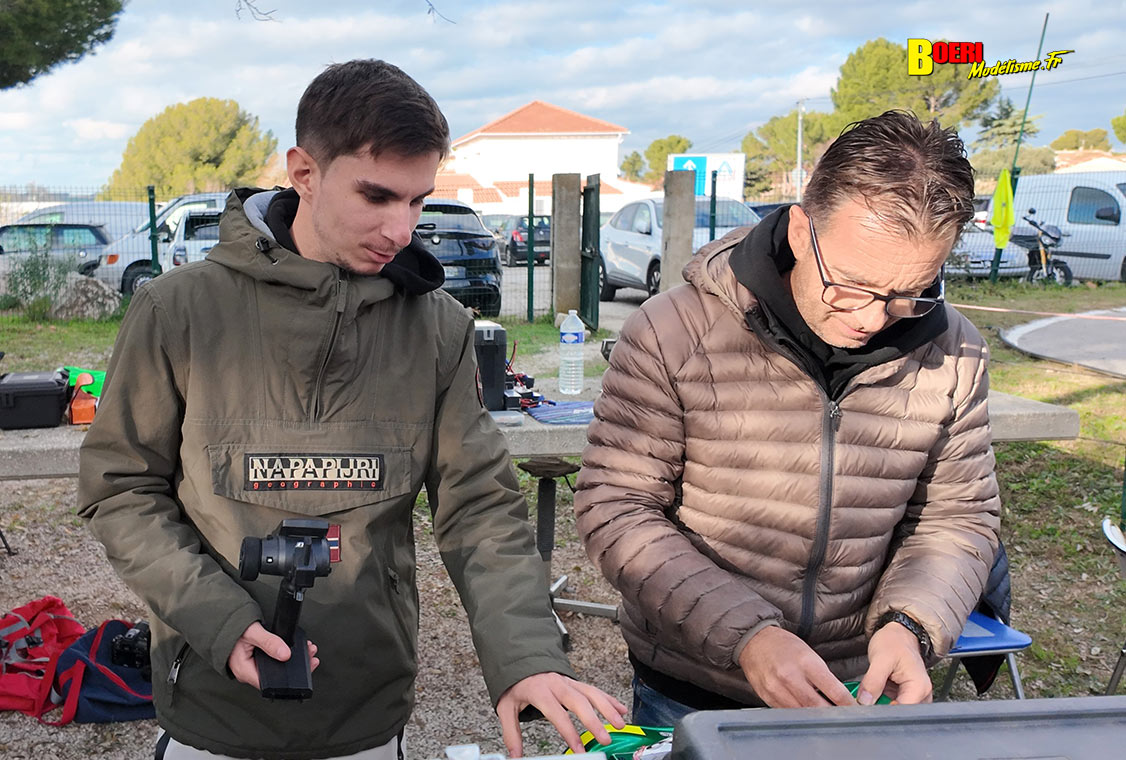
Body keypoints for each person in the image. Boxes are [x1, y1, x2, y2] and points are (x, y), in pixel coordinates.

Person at [78, 59, 625, 760]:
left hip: (366, 717)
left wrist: (527, 655)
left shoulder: (439, 329)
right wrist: (218, 620)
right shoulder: (177, 311)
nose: (402, 229)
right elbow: (121, 490)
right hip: (212, 708)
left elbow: (479, 509)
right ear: (304, 172)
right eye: (376, 196)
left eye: (418, 200)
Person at [575, 110, 1001, 727]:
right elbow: (615, 506)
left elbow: (956, 517)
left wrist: (908, 624)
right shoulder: (674, 331)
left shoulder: (953, 353)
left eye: (910, 290)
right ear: (802, 233)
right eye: (850, 285)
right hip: (695, 686)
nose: (874, 319)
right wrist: (751, 637)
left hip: (854, 689)